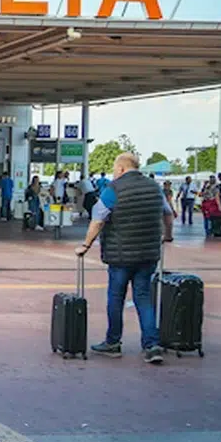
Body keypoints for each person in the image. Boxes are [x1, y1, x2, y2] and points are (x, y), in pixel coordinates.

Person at [76, 152, 174, 364]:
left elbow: (98, 219)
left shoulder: (113, 189)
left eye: (114, 169)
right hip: (148, 254)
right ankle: (151, 345)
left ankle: (113, 342)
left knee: (116, 297)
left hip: (120, 255)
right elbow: (168, 213)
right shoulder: (154, 187)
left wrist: (86, 245)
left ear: (121, 168)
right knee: (143, 297)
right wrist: (167, 236)